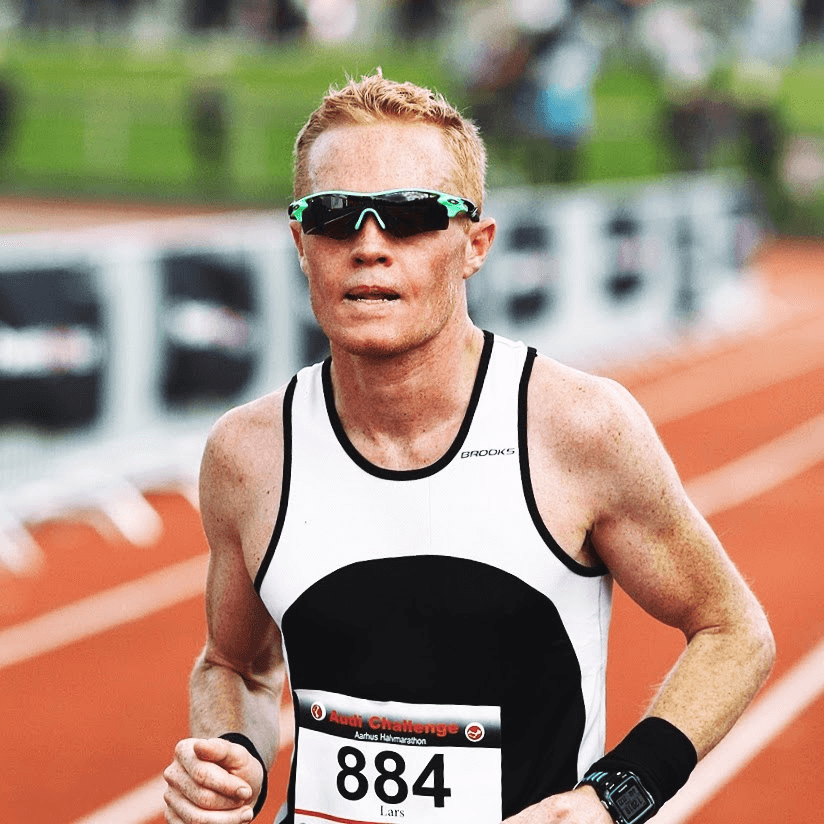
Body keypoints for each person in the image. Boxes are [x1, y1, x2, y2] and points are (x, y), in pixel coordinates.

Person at [163, 72, 775, 824]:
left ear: (475, 244)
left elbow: (732, 631)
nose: (368, 246)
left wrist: (612, 799)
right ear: (301, 242)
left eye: (411, 216)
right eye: (334, 217)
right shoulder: (248, 454)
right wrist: (232, 758)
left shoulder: (578, 429)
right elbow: (237, 668)